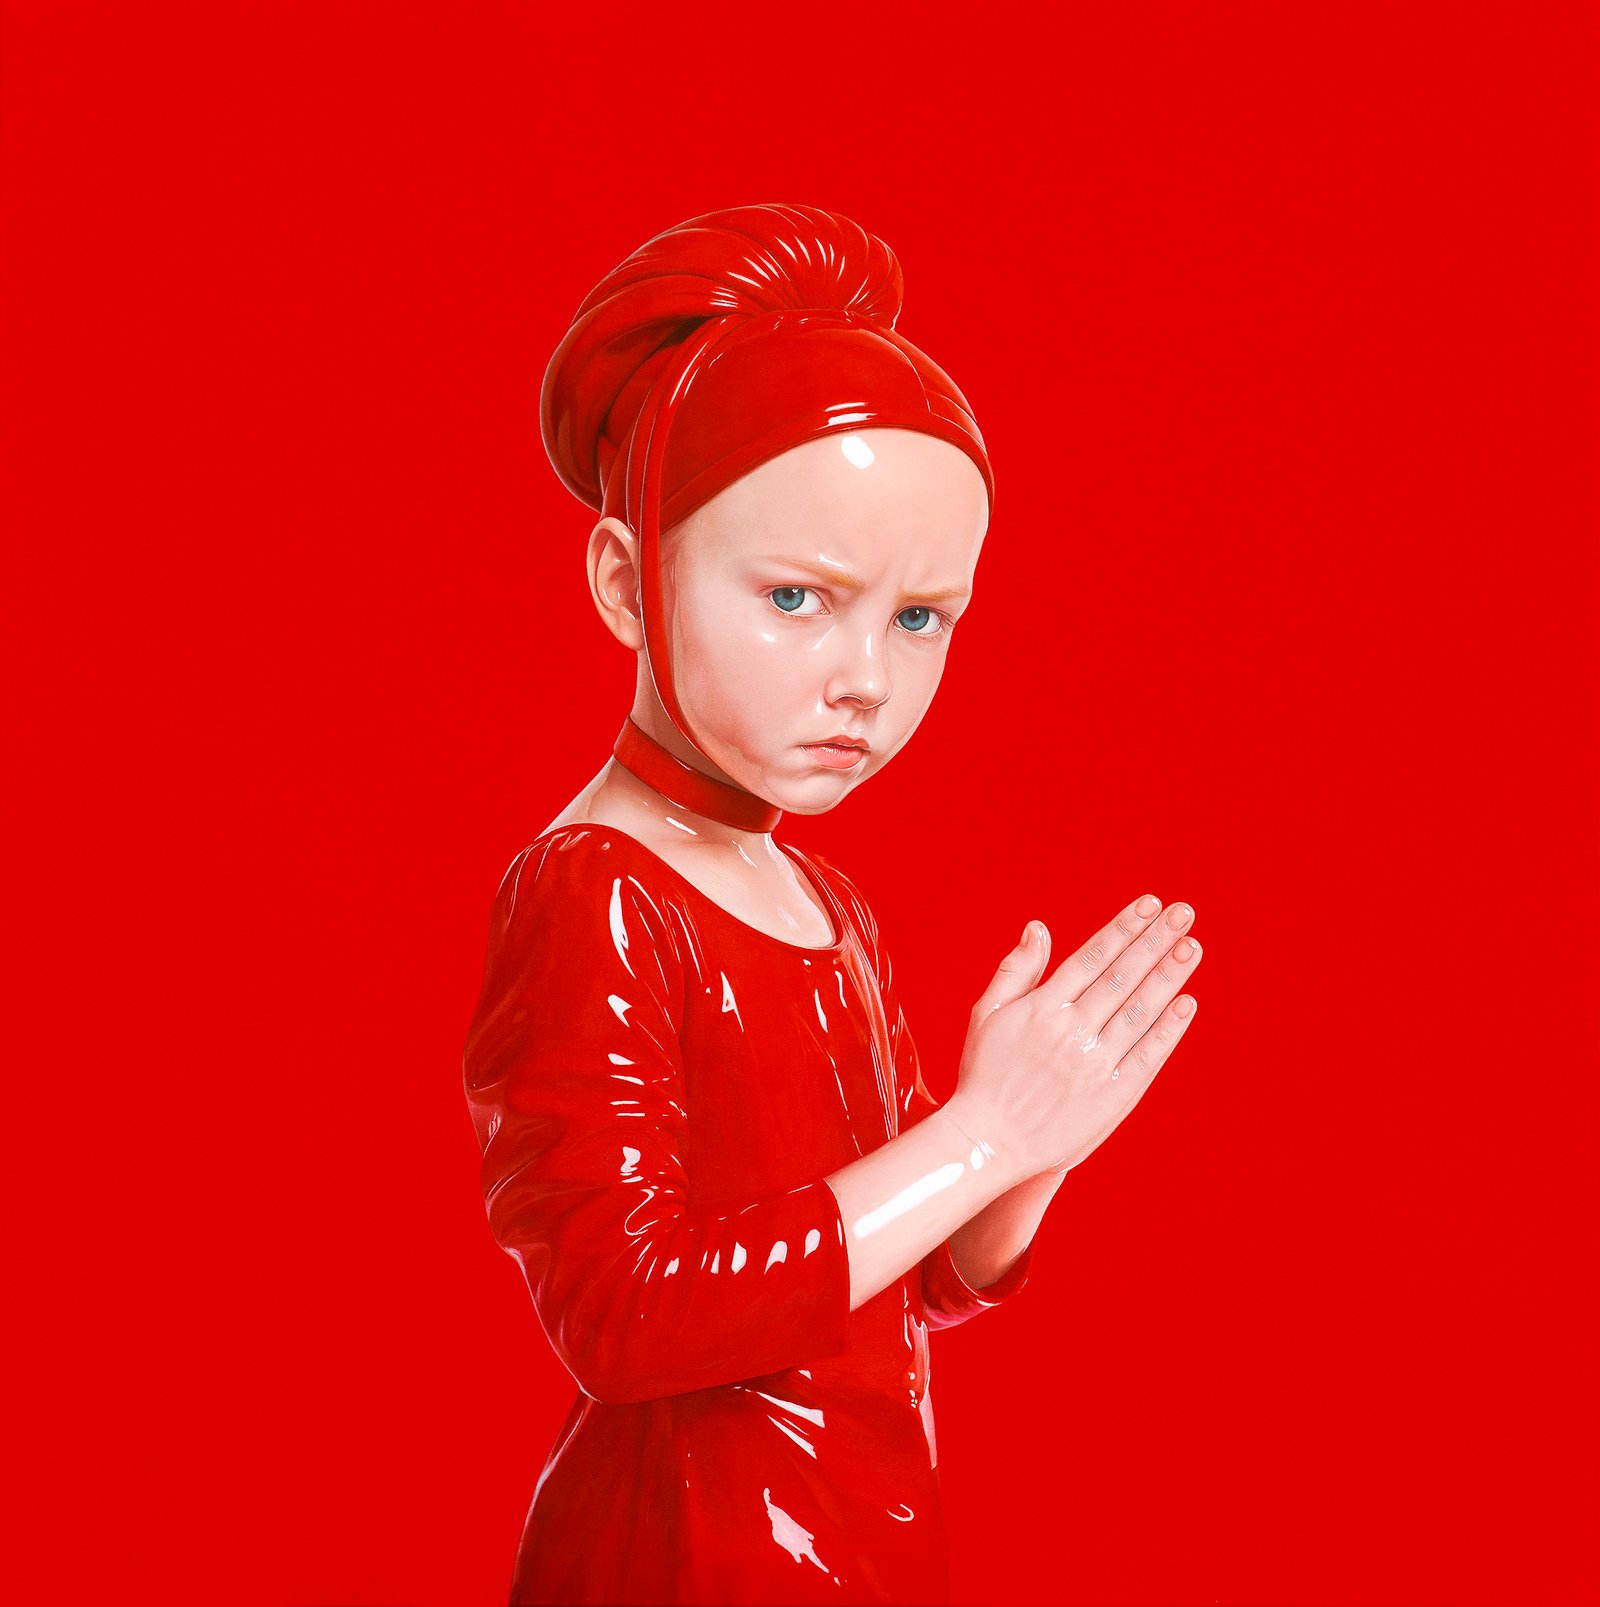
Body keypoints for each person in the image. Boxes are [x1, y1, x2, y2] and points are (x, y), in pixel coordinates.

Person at [462, 203, 1203, 1606]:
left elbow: (912, 1279)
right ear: (627, 582)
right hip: (694, 1554)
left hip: (866, 1534)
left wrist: (1028, 1150)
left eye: (920, 618)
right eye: (800, 598)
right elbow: (624, 1316)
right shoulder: (595, 891)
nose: (866, 677)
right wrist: (979, 1136)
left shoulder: (826, 898)